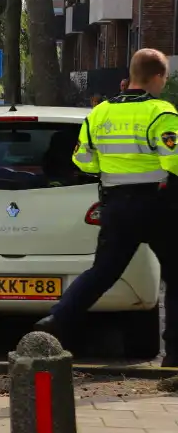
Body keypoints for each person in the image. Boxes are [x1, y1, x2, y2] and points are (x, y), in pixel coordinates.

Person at [35, 48, 178, 363]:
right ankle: (175, 356)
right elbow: (175, 160)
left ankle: (58, 318)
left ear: (132, 75)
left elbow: (83, 160)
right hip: (159, 205)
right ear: (157, 77)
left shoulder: (100, 113)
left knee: (103, 271)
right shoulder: (161, 112)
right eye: (164, 77)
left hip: (115, 205)